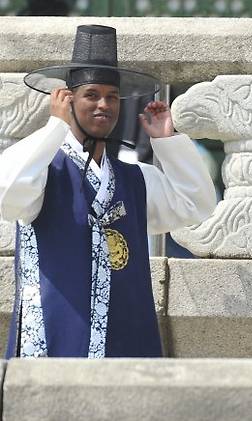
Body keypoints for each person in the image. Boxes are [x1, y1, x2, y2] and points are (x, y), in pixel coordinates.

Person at [0, 25, 216, 358]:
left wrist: (166, 142)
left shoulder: (135, 179)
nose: (104, 104)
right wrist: (54, 128)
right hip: (53, 345)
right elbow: (8, 192)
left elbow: (195, 205)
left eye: (112, 96)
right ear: (67, 100)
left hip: (126, 345)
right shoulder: (44, 171)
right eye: (92, 95)